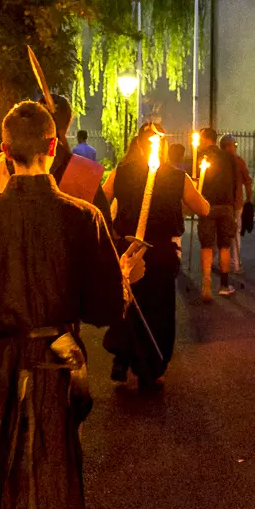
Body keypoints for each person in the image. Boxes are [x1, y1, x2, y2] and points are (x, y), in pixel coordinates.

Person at [0, 100, 145, 509]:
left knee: (11, 473)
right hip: (56, 366)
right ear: (54, 147)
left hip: (1, 367)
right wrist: (124, 277)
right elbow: (103, 309)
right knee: (49, 475)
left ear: (4, 150)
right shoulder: (82, 218)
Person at [102, 124, 209, 388]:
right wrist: (191, 192)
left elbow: (100, 204)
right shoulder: (176, 178)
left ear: (139, 145)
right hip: (159, 251)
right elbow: (203, 208)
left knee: (128, 305)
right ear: (159, 145)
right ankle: (149, 368)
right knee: (157, 310)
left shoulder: (119, 174)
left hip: (127, 251)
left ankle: (123, 356)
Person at [196, 127, 239, 301]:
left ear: (205, 139)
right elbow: (236, 183)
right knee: (224, 245)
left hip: (207, 205)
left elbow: (196, 180)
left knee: (206, 244)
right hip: (226, 205)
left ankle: (206, 282)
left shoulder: (201, 157)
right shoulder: (228, 157)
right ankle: (224, 284)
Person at [219, 134, 253, 275]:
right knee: (234, 233)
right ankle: (234, 264)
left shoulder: (218, 161)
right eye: (234, 145)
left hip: (227, 202)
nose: (235, 147)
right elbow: (247, 181)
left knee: (226, 232)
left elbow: (247, 181)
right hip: (234, 202)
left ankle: (226, 263)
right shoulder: (238, 162)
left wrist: (248, 198)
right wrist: (249, 198)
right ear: (227, 147)